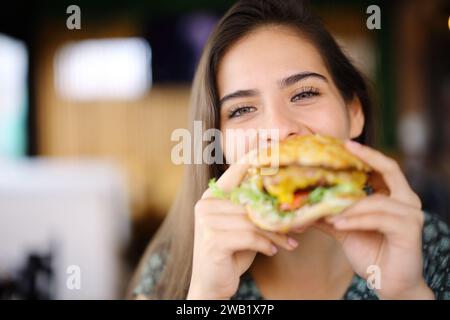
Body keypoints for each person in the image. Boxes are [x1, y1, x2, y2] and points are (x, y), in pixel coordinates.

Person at [129, 0, 450, 300]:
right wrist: (206, 295)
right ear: (219, 144)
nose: (280, 130)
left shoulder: (430, 247)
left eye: (305, 93)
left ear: (354, 113)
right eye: (241, 110)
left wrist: (408, 292)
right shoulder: (168, 275)